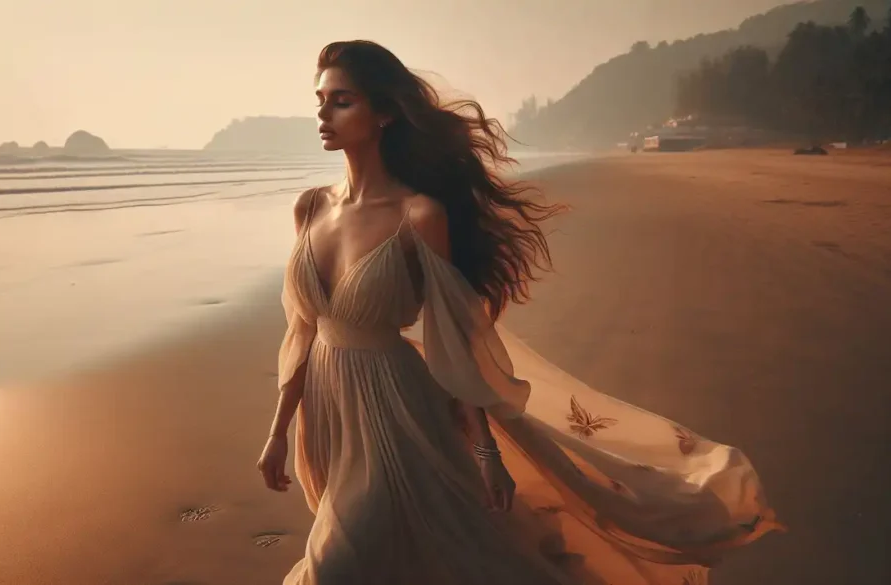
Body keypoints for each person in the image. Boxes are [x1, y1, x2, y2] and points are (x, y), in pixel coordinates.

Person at [257, 40, 780, 585]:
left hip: (398, 413)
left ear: (384, 112)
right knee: (394, 562)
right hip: (328, 411)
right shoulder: (310, 207)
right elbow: (302, 329)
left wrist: (486, 450)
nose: (322, 112)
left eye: (342, 100)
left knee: (339, 567)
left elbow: (453, 341)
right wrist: (277, 431)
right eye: (320, 99)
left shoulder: (419, 215)